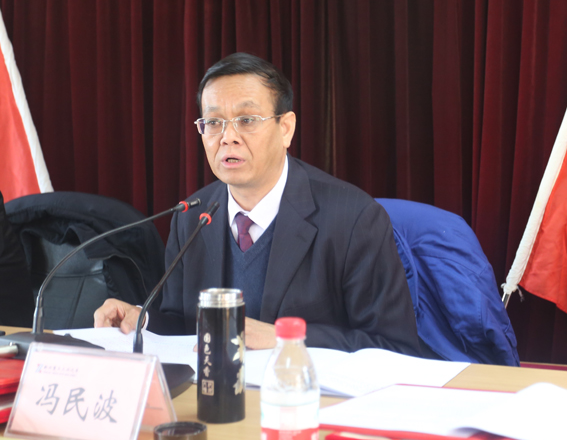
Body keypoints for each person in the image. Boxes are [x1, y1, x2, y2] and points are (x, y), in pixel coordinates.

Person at [95, 53, 421, 355]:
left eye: (247, 120)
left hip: (303, 393)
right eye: (213, 122)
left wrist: (284, 339)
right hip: (219, 393)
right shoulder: (192, 215)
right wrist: (142, 320)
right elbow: (184, 328)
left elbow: (393, 346)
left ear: (285, 129)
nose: (228, 137)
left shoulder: (353, 218)